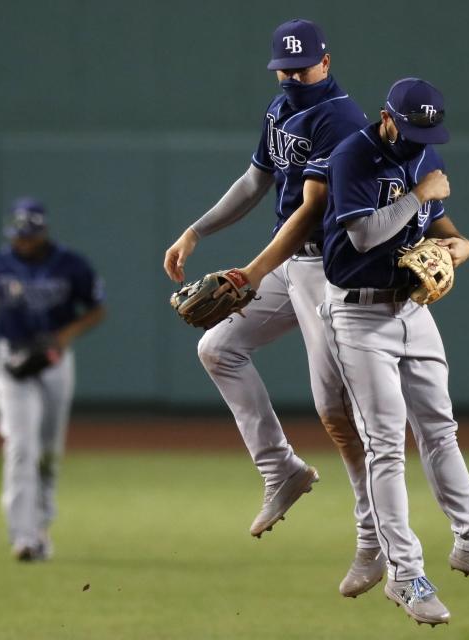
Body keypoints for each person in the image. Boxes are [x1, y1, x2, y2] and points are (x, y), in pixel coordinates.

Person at [163, 18, 386, 597]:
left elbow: (312, 212)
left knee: (336, 412)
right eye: (284, 69)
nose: (292, 77)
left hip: (328, 272)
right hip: (290, 268)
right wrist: (197, 230)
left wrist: (251, 270)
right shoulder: (281, 108)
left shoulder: (340, 118)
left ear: (326, 63)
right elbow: (256, 180)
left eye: (302, 67)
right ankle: (281, 469)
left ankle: (373, 540)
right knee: (217, 347)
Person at [310, 77, 469, 625]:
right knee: (385, 444)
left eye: (425, 131)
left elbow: (437, 224)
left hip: (412, 308)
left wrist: (461, 244)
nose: (416, 140)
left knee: (441, 430)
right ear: (386, 117)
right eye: (408, 129)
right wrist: (418, 195)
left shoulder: (422, 149)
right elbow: (363, 236)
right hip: (357, 313)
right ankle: (405, 576)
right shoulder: (352, 154)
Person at [0, 197, 106, 561]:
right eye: (18, 235)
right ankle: (23, 536)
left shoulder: (71, 264)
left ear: (42, 232)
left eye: (28, 235)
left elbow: (96, 309)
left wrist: (65, 334)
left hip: (54, 360)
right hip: (13, 359)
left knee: (47, 451)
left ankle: (41, 525)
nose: (21, 241)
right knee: (20, 447)